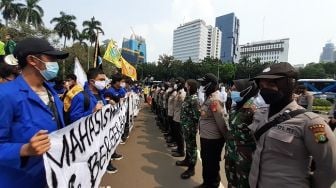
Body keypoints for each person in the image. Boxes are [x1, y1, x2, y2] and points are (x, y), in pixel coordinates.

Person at [249, 62, 336, 188]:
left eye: (271, 84)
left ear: (289, 85)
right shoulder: (260, 115)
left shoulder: (310, 122)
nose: (265, 89)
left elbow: (330, 165)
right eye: (262, 85)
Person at [0, 37, 69, 188]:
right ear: (32, 60)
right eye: (51, 58)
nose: (55, 63)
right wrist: (25, 149)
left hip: (50, 177)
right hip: (19, 181)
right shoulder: (5, 95)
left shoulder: (53, 95)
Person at [224, 79, 258, 188]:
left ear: (245, 91)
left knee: (243, 184)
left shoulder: (254, 110)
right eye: (232, 89)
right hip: (231, 153)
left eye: (235, 90)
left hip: (244, 158)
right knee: (230, 180)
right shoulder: (235, 107)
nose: (231, 92)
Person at [197, 73, 228, 188]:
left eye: (204, 84)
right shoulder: (209, 97)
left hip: (213, 139)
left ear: (211, 84)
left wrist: (225, 139)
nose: (202, 86)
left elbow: (221, 121)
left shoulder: (215, 99)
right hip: (207, 137)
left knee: (212, 163)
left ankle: (213, 184)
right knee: (206, 161)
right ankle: (207, 183)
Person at [176, 79, 200, 179]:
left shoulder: (194, 99)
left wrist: (193, 128)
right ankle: (187, 160)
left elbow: (196, 116)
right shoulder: (188, 97)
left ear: (189, 86)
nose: (184, 86)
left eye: (186, 84)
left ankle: (191, 169)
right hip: (186, 126)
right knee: (188, 146)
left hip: (190, 128)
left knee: (192, 148)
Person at [104, 73, 126, 173]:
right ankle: (107, 162)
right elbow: (108, 103)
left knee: (115, 135)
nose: (122, 83)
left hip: (117, 118)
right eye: (121, 81)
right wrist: (110, 102)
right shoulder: (109, 91)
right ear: (116, 82)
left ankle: (114, 152)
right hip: (109, 119)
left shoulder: (120, 89)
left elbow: (123, 95)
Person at [171, 77, 187, 157]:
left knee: (180, 135)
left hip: (180, 116)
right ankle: (178, 148)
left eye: (177, 83)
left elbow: (183, 105)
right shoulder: (178, 92)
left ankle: (181, 151)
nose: (176, 85)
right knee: (177, 133)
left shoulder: (182, 93)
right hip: (176, 115)